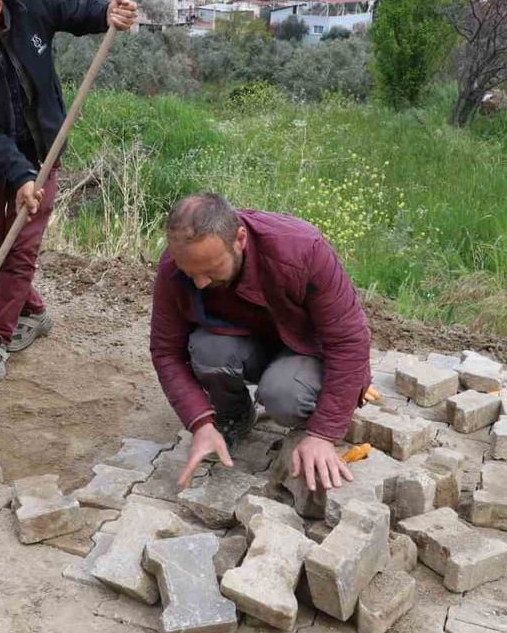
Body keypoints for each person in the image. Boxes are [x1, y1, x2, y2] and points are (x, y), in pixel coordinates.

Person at [0, 0, 137, 383]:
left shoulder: (33, 6)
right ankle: (36, 311)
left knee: (21, 249)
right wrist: (18, 173)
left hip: (44, 152)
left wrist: (107, 14)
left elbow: (78, 13)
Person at [149, 193, 372, 492]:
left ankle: (306, 426)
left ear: (239, 239)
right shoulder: (175, 266)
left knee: (283, 395)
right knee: (207, 350)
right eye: (192, 274)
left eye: (212, 270)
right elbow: (165, 350)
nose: (200, 283)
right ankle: (235, 415)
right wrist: (200, 422)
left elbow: (349, 341)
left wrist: (323, 434)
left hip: (306, 349)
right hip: (250, 343)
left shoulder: (302, 249)